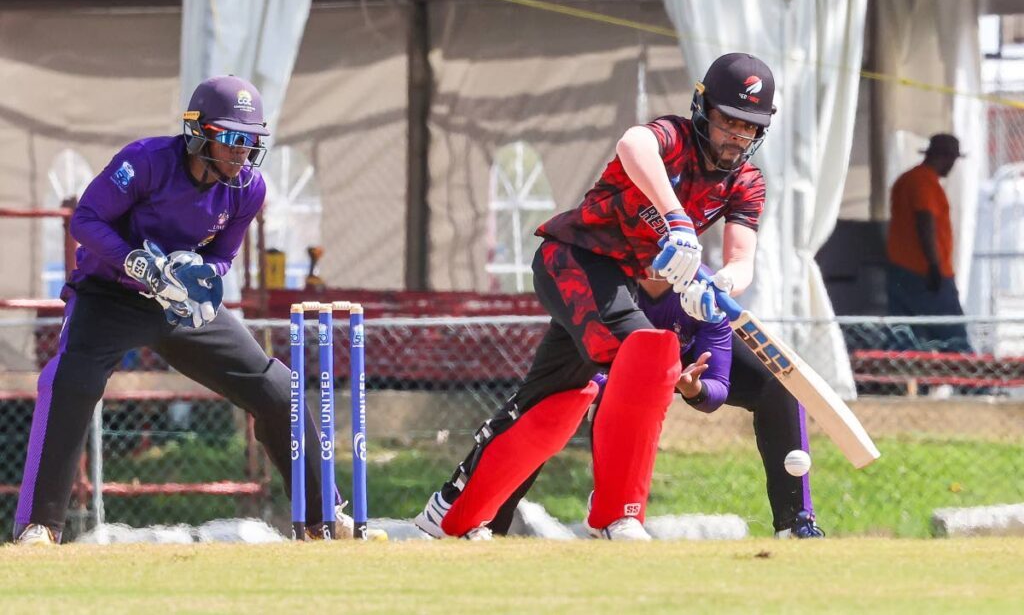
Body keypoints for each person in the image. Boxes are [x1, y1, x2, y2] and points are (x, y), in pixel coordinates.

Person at [414, 52, 778, 540]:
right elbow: (633, 143)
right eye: (727, 122)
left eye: (748, 128)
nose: (735, 137)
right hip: (572, 260)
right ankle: (616, 515)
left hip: (616, 283)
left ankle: (451, 513)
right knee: (648, 353)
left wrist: (718, 288)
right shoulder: (671, 139)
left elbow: (742, 260)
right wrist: (676, 219)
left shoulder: (746, 182)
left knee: (551, 400)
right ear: (701, 108)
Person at [12, 75, 372, 544]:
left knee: (278, 387)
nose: (243, 151)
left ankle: (323, 518)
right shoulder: (145, 161)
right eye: (232, 138)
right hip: (111, 293)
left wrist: (198, 275)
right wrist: (132, 260)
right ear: (198, 131)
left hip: (178, 302)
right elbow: (85, 219)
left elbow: (223, 255)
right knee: (69, 382)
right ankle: (39, 527)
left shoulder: (248, 188)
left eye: (251, 140)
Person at [485, 278, 825, 539]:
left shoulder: (703, 294)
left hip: (683, 361)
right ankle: (489, 521)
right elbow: (590, 362)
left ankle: (796, 524)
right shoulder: (607, 285)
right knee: (548, 407)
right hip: (609, 367)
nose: (657, 257)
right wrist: (617, 386)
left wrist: (695, 389)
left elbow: (718, 385)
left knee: (777, 386)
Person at [886, 133, 972, 352]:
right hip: (927, 273)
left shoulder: (905, 180)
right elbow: (925, 222)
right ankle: (974, 386)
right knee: (952, 336)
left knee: (908, 338)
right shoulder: (925, 182)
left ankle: (909, 385)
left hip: (899, 270)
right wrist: (933, 264)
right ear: (945, 157)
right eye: (952, 159)